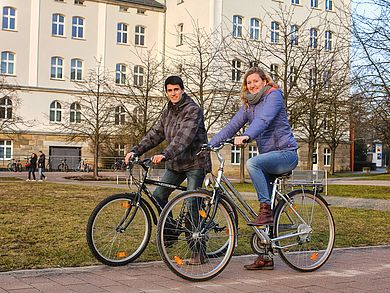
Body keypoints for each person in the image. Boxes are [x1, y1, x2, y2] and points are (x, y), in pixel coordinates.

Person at [209, 67, 298, 270]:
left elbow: (264, 120)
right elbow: (231, 126)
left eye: (255, 81)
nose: (252, 85)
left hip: (286, 153)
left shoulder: (274, 95)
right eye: (248, 82)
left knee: (252, 162)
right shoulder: (249, 105)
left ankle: (266, 211)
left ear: (264, 80)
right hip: (270, 158)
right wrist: (210, 143)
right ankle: (266, 256)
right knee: (261, 197)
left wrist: (248, 135)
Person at [124, 75, 211, 264]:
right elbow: (155, 133)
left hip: (195, 163)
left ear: (182, 90)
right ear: (166, 92)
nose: (173, 93)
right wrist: (135, 150)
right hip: (176, 163)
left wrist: (165, 154)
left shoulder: (193, 110)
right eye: (169, 90)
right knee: (158, 195)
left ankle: (199, 252)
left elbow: (183, 138)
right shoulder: (168, 111)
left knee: (191, 205)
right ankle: (171, 233)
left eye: (176, 90)